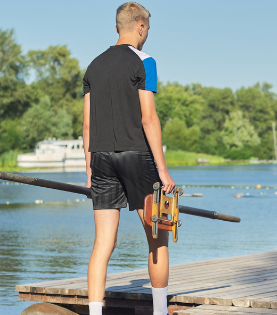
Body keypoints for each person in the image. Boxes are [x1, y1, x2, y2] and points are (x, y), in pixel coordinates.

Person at [82, 2, 176, 315]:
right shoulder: (145, 61)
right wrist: (163, 172)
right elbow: (149, 119)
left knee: (103, 243)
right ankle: (160, 311)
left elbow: (86, 124)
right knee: (158, 238)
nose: (147, 32)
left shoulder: (93, 66)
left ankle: (95, 312)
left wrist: (88, 170)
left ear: (116, 28)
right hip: (137, 157)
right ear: (140, 26)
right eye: (147, 27)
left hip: (102, 159)